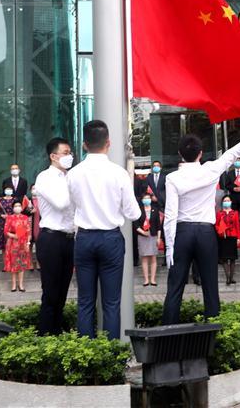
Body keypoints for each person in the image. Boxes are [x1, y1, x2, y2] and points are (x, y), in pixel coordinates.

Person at [162, 119, 240, 323]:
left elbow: (170, 214)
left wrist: (169, 247)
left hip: (182, 232)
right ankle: (213, 338)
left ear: (180, 155)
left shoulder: (173, 178)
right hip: (205, 233)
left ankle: (167, 336)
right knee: (211, 288)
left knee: (174, 288)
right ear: (200, 153)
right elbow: (236, 150)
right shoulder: (210, 169)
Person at [67, 119, 141, 339]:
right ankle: (110, 358)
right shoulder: (118, 174)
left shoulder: (73, 173)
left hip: (85, 239)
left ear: (84, 144)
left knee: (85, 302)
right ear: (108, 143)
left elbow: (71, 210)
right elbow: (134, 213)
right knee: (111, 303)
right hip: (111, 239)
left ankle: (86, 357)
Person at [33, 137, 76, 335]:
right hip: (50, 239)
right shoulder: (45, 177)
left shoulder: (69, 177)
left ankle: (57, 332)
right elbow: (61, 202)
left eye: (70, 153)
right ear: (53, 156)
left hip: (69, 239)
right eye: (65, 153)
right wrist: (74, 186)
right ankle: (45, 334)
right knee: (50, 291)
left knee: (63, 291)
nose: (69, 157)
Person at [4, 200, 32, 292]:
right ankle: (13, 284)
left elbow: (28, 232)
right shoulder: (10, 218)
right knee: (13, 263)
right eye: (15, 206)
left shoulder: (25, 218)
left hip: (23, 243)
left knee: (21, 264)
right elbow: (6, 231)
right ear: (13, 208)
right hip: (12, 243)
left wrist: (28, 243)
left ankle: (21, 284)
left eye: (19, 205)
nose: (17, 207)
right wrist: (13, 236)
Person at [215, 195, 240, 285]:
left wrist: (238, 237)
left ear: (231, 202)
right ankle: (227, 278)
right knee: (225, 259)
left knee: (232, 259)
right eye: (225, 200)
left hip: (232, 237)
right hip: (223, 237)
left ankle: (231, 278)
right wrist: (220, 230)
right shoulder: (219, 213)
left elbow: (237, 225)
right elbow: (216, 225)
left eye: (228, 200)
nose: (226, 202)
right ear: (222, 202)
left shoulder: (235, 213)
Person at [137, 194, 161, 286]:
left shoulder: (155, 210)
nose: (146, 200)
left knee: (153, 258)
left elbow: (159, 225)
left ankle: (153, 279)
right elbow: (135, 225)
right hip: (143, 236)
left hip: (153, 235)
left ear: (151, 199)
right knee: (144, 258)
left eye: (148, 198)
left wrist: (159, 238)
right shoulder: (139, 210)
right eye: (145, 198)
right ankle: (146, 280)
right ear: (142, 200)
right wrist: (143, 232)